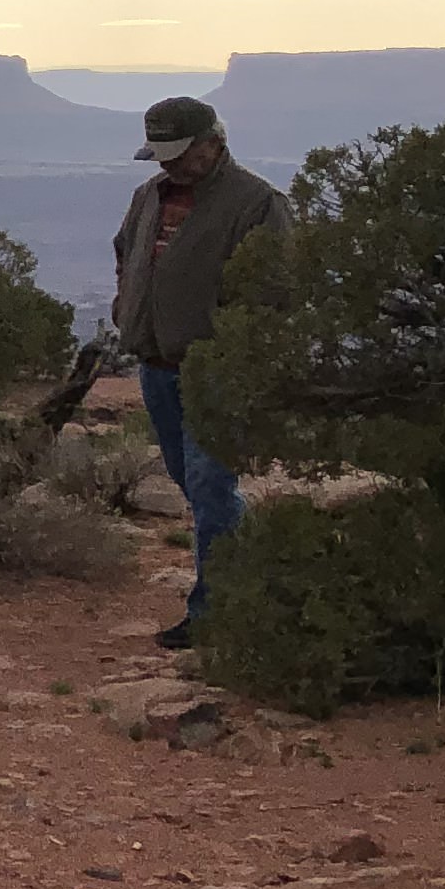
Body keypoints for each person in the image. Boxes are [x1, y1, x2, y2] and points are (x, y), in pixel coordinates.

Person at [109, 96, 287, 652]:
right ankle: (262, 567)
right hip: (157, 367)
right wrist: (127, 310)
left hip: (217, 371)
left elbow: (276, 289)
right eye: (161, 156)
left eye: (178, 155)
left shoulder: (257, 203)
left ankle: (213, 614)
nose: (169, 166)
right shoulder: (148, 198)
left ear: (213, 143)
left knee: (211, 486)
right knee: (195, 485)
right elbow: (125, 256)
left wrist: (238, 353)